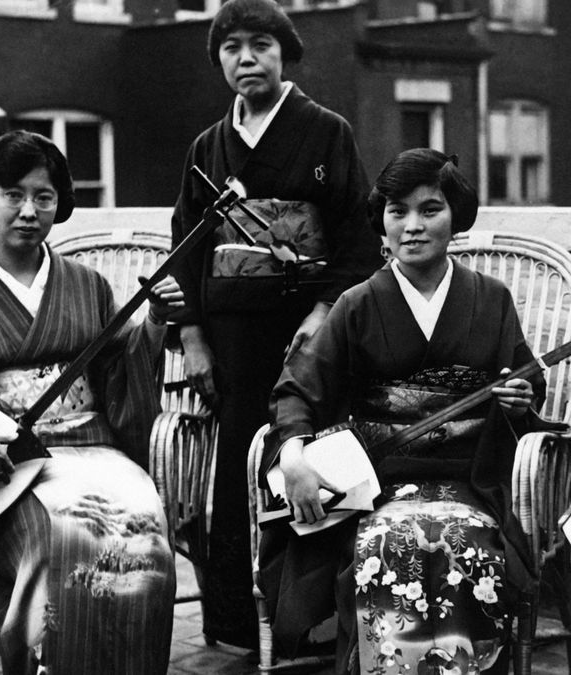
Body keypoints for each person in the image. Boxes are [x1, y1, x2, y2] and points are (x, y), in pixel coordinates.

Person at [0, 130, 180, 674]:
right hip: (10, 466)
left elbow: (118, 366)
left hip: (95, 449)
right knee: (65, 537)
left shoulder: (86, 284)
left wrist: (157, 323)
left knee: (145, 535)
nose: (29, 210)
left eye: (44, 197)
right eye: (13, 194)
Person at [260, 149, 545, 673]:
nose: (413, 226)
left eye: (430, 209)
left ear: (455, 218)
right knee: (384, 543)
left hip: (473, 477)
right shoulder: (358, 303)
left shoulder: (492, 298)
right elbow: (298, 390)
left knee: (470, 545)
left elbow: (528, 382)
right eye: (398, 211)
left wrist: (520, 397)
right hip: (379, 482)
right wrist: (295, 454)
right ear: (382, 225)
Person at [168, 0, 383, 649]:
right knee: (233, 468)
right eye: (231, 49)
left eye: (259, 45)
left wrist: (323, 314)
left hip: (308, 334)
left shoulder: (325, 130)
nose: (245, 59)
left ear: (283, 51)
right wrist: (193, 336)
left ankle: (308, 624)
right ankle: (236, 623)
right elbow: (184, 247)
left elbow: (358, 235)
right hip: (231, 338)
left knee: (311, 461)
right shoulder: (209, 144)